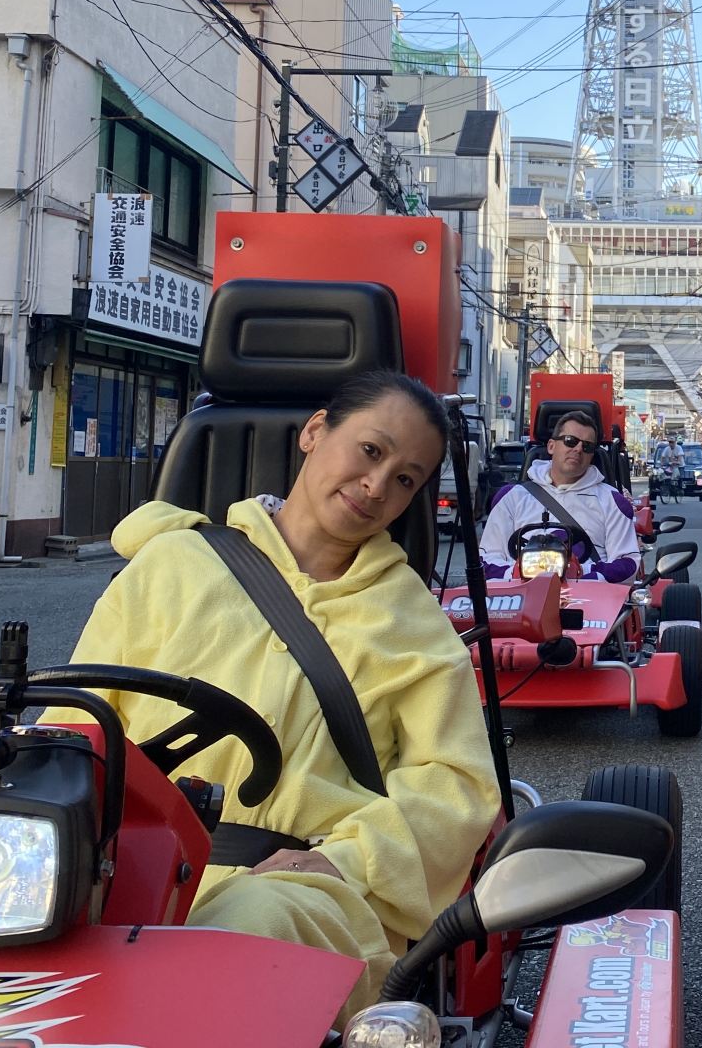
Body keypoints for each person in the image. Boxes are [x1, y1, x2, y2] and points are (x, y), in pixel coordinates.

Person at [50, 369, 501, 1022]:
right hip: (132, 873)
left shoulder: (414, 621)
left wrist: (343, 860)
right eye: (371, 452)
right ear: (316, 433)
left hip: (311, 888)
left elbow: (456, 783)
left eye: (405, 479)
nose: (377, 486)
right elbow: (76, 722)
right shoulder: (172, 564)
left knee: (240, 932)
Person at [479, 409, 640, 582]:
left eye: (587, 446)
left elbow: (628, 563)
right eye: (570, 441)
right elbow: (486, 559)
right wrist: (520, 572)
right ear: (551, 446)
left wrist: (580, 572)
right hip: (519, 597)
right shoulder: (511, 497)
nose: (578, 449)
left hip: (588, 597)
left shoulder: (612, 500)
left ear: (592, 455)